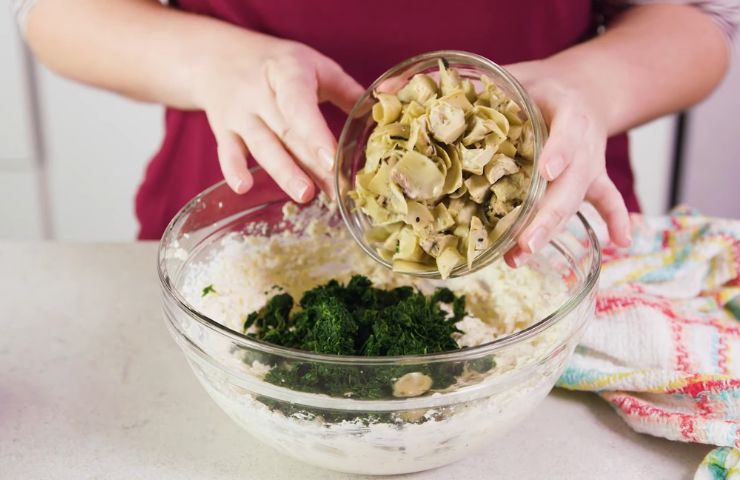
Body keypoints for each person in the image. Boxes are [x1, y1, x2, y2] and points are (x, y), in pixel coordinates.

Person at [15, 0, 738, 266]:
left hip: (541, 239)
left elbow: (698, 20)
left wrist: (595, 85)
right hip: (231, 242)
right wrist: (211, 58)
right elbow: (55, 13)